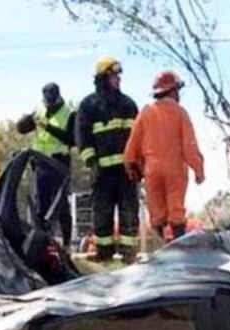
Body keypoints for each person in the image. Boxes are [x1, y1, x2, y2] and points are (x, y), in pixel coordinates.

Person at [124, 70, 204, 240]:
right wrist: (198, 170)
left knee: (158, 216)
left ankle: (165, 244)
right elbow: (189, 146)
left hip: (152, 171)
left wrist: (131, 166)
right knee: (176, 212)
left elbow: (132, 144)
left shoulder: (146, 113)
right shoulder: (180, 112)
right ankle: (178, 243)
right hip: (175, 169)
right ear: (172, 91)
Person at [76, 57, 140, 262]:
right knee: (102, 214)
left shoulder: (128, 104)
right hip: (102, 173)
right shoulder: (89, 106)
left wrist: (138, 164)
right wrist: (92, 162)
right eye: (114, 76)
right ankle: (104, 253)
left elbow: (138, 136)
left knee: (129, 212)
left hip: (127, 172)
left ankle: (129, 253)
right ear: (103, 78)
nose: (118, 79)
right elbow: (82, 137)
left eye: (118, 76)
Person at [17, 83, 76, 246]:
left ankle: (66, 244)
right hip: (41, 163)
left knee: (61, 204)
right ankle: (41, 243)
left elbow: (71, 139)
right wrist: (26, 120)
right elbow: (21, 129)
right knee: (41, 204)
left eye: (51, 101)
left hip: (59, 163)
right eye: (46, 101)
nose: (49, 105)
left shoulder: (69, 113)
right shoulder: (39, 110)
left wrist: (48, 127)